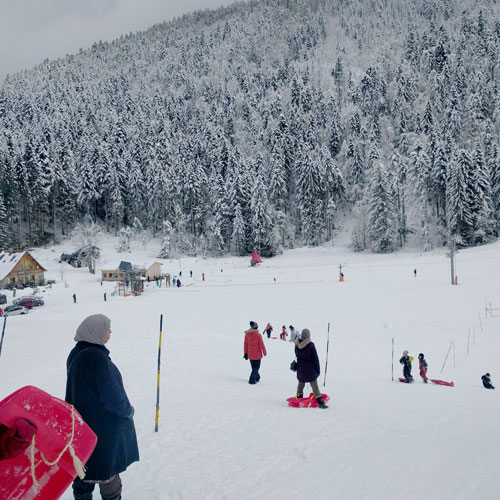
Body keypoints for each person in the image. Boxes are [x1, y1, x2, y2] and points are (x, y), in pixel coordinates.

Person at [65, 314, 139, 500]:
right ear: (95, 332)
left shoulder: (77, 352)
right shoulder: (97, 358)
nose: (110, 332)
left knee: (83, 471)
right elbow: (113, 398)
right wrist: (128, 411)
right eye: (107, 329)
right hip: (103, 432)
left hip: (81, 428)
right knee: (108, 476)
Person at [294, 329, 327, 408]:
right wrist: (318, 370)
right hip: (310, 369)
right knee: (314, 386)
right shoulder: (311, 345)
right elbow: (315, 358)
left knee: (301, 384)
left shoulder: (297, 345)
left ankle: (299, 400)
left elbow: (296, 355)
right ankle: (321, 403)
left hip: (301, 369)